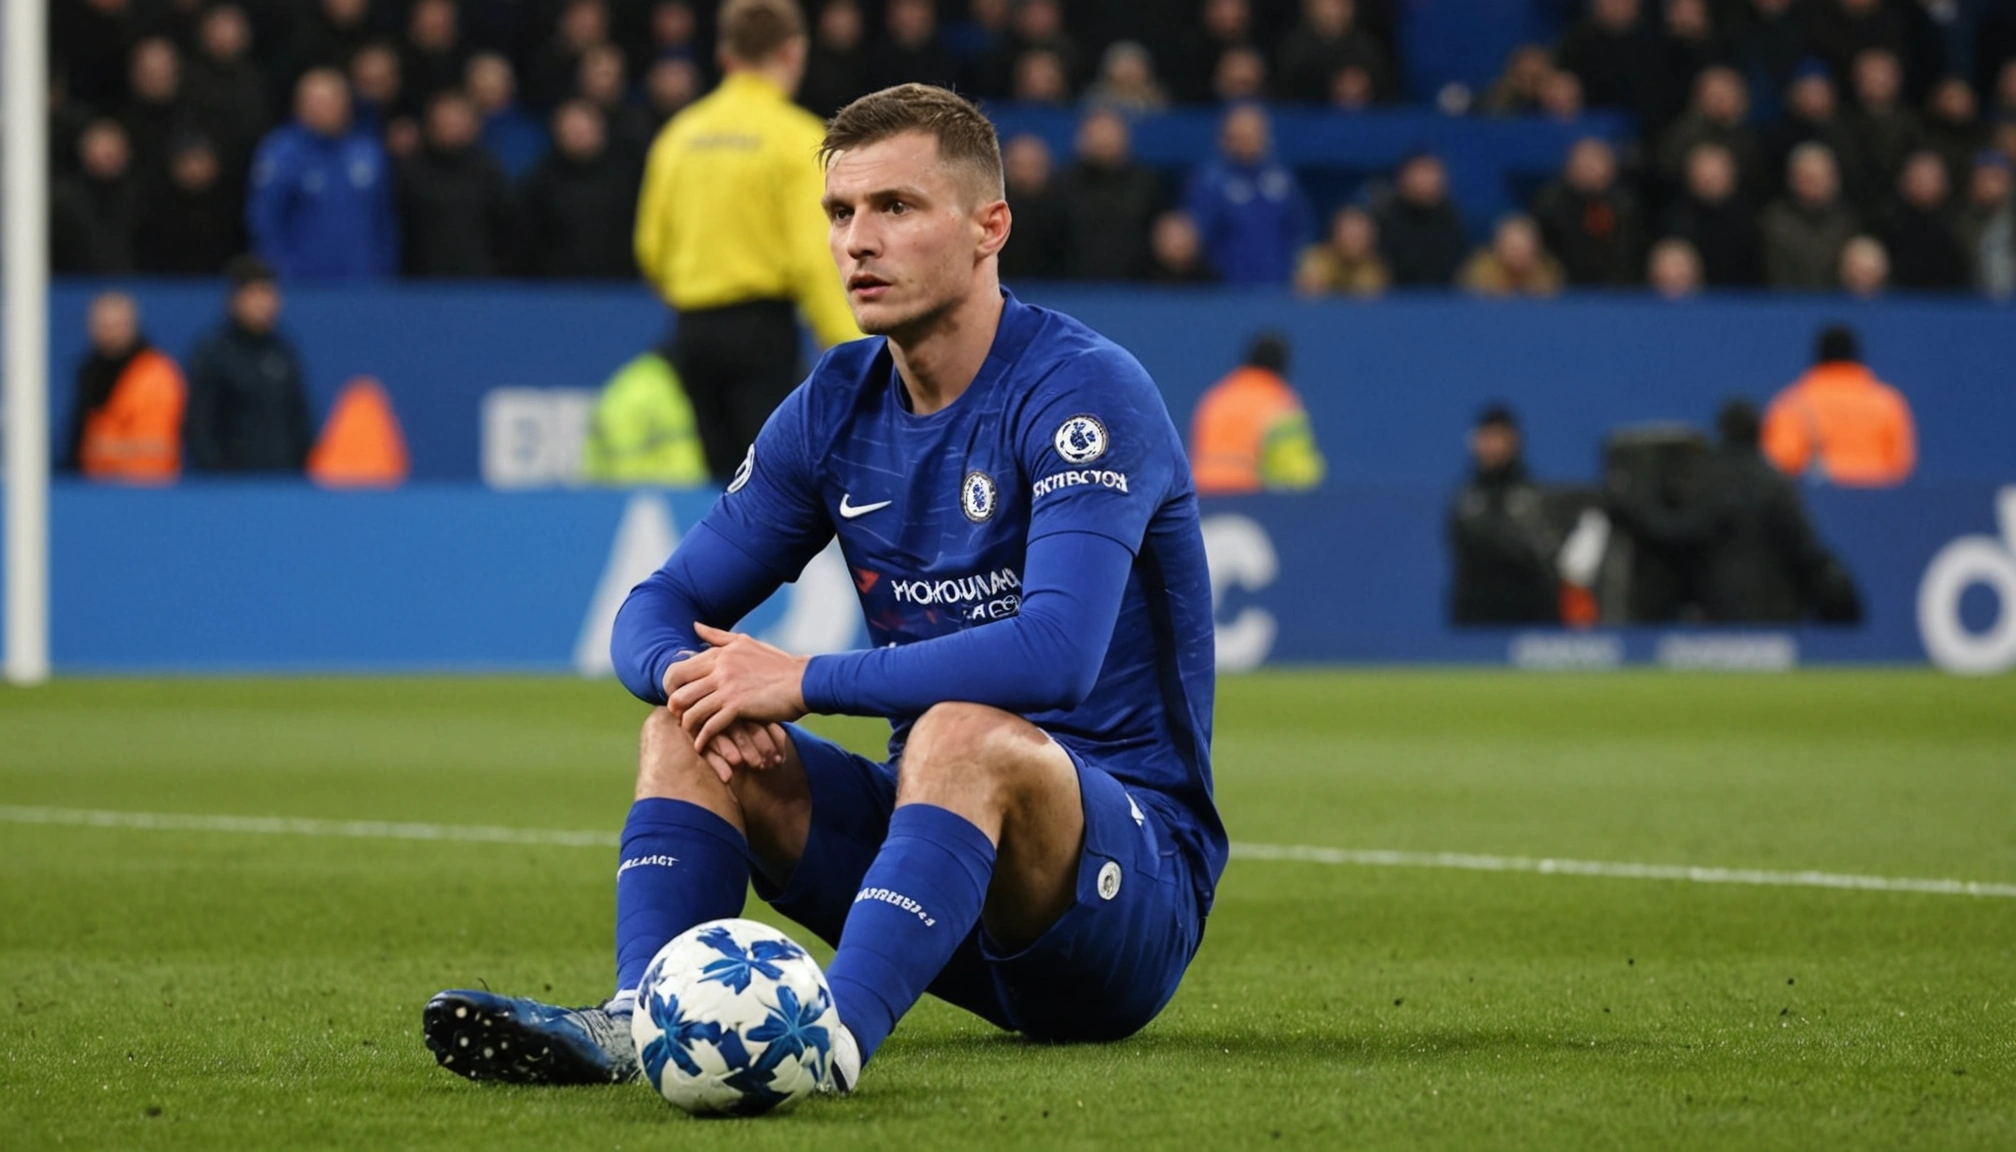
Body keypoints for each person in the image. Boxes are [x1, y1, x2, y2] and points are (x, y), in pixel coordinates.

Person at [423, 82, 1223, 1098]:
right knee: (690, 720)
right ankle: (639, 1022)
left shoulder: (1082, 389)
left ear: (990, 227)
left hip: (1123, 892)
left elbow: (1056, 653)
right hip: (937, 874)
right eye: (841, 213)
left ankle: (826, 1040)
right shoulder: (836, 405)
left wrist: (801, 680)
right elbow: (652, 610)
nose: (857, 242)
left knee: (960, 732)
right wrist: (696, 680)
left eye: (896, 207)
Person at [635, 0, 863, 484]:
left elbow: (651, 249)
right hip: (762, 332)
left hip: (693, 331)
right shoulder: (796, 139)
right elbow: (815, 257)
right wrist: (853, 349)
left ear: (725, 55)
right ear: (793, 52)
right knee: (772, 483)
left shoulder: (679, 135)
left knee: (724, 484)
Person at [1606, 399, 1858, 623]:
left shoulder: (1707, 480)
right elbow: (1803, 545)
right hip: (1776, 611)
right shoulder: (1777, 483)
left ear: (1722, 431)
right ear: (1760, 431)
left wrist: (1633, 510)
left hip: (1719, 610)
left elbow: (1680, 533)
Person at [246, 68, 399, 279]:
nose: (325, 109)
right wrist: (280, 273)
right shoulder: (280, 153)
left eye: (332, 100)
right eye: (316, 102)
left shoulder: (367, 151)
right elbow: (265, 221)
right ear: (298, 106)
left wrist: (384, 272)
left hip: (363, 282)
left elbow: (384, 219)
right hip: (301, 284)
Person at [183, 256, 315, 474]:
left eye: (269, 294)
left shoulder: (283, 351)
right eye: (255, 295)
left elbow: (299, 418)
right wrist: (219, 474)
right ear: (235, 300)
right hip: (233, 484)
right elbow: (199, 423)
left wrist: (300, 467)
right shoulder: (213, 353)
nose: (263, 304)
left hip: (284, 481)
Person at [1761, 323, 1915, 486]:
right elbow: (1900, 465)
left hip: (1813, 500)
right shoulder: (1889, 403)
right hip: (1880, 499)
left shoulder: (1790, 404)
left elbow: (1780, 463)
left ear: (1818, 357)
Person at [1448, 404, 1560, 625]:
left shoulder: (1533, 496)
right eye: (1486, 437)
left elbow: (1540, 553)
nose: (1491, 446)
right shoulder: (1466, 498)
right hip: (1476, 617)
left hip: (1528, 614)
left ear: (1513, 441)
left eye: (1498, 437)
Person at [1183, 104, 1311, 286]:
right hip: (1225, 291)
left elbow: (1300, 228)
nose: (1247, 142)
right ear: (1225, 138)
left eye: (1253, 135)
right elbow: (1197, 236)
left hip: (1279, 287)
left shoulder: (1282, 177)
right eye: (1240, 136)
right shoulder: (1209, 181)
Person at [64, 292, 187, 482]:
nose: (110, 334)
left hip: (146, 488)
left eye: (117, 326)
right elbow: (78, 439)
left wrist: (103, 450)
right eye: (103, 326)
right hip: (92, 487)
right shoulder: (88, 372)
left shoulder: (157, 374)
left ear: (133, 326)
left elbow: (155, 450)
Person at [1188, 331, 1326, 495]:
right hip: (1249, 494)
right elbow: (1296, 469)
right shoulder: (1280, 402)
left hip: (1203, 494)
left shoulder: (1217, 397)